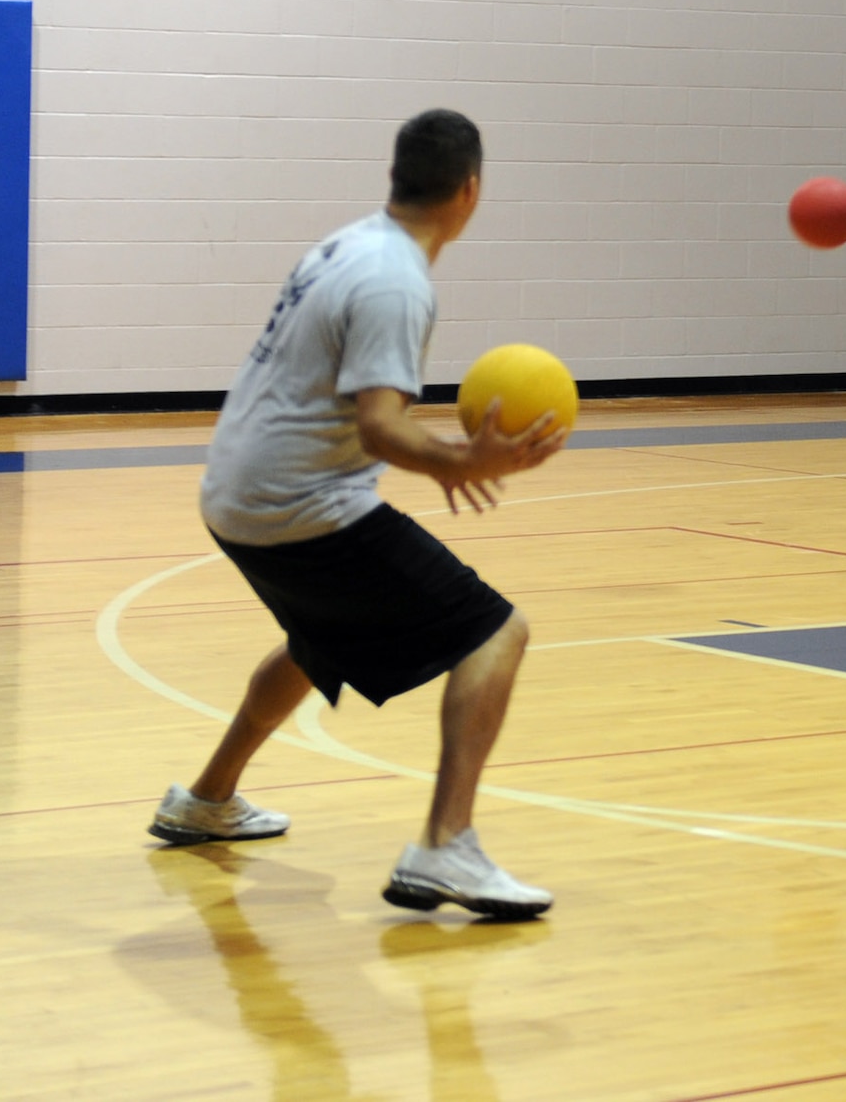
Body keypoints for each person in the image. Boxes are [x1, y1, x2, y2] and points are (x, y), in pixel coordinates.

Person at [147, 109, 567, 919]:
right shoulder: (397, 280)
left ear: (395, 177)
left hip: (234, 493)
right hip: (296, 504)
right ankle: (447, 845)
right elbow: (378, 424)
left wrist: (446, 457)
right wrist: (460, 461)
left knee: (321, 640)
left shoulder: (347, 244)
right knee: (495, 630)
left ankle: (205, 798)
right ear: (470, 190)